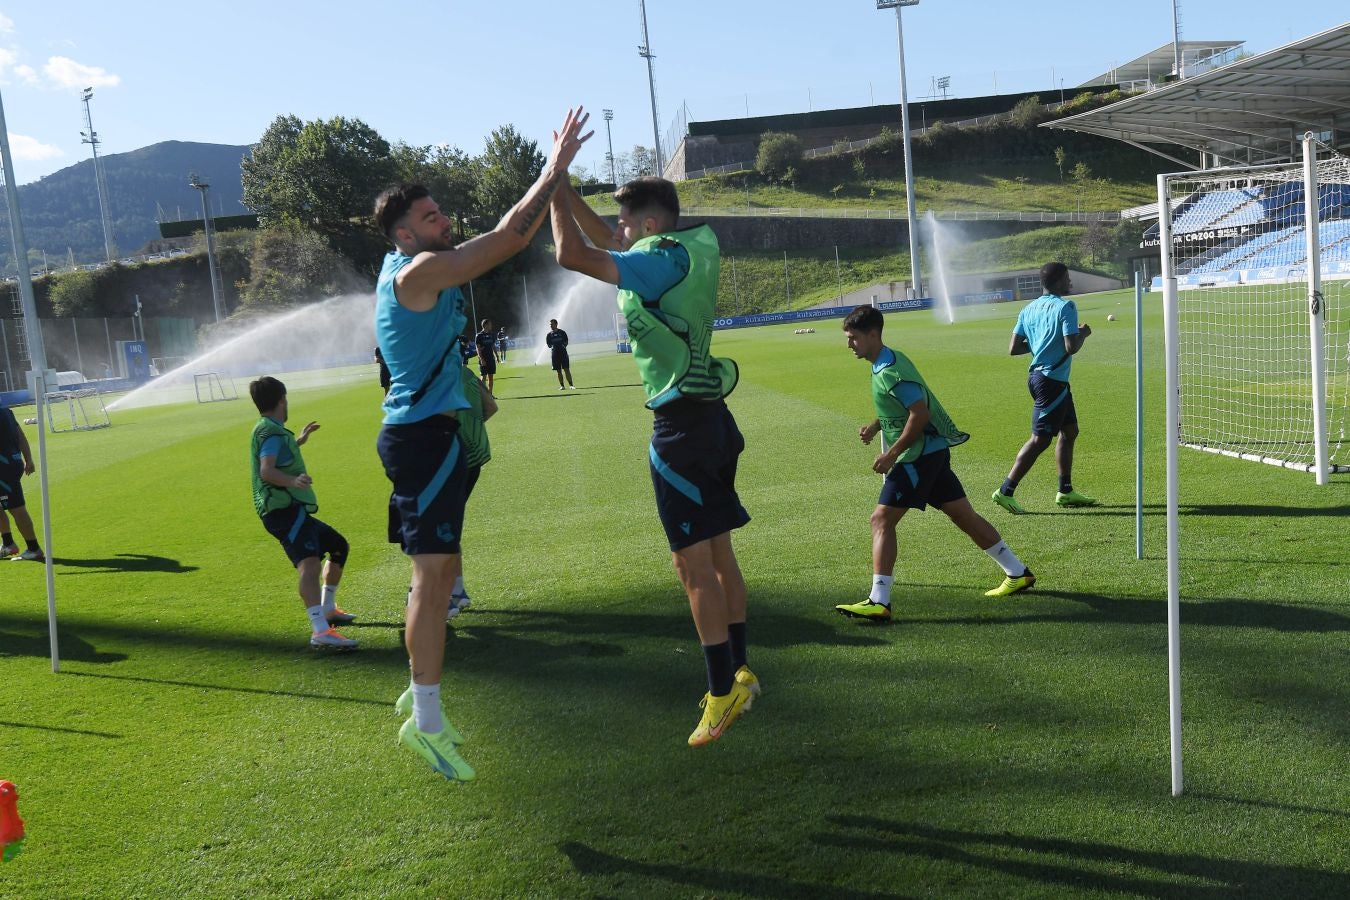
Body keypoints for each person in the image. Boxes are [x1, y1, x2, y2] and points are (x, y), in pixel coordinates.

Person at [373, 107, 589, 782]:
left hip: (428, 435)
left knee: (430, 579)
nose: (444, 222)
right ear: (406, 233)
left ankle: (421, 692)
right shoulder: (415, 274)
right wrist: (553, 173)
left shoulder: (412, 266)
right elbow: (504, 240)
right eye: (432, 218)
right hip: (422, 441)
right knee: (434, 581)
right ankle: (427, 724)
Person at [551, 175, 757, 748]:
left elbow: (571, 253)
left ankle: (721, 694)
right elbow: (605, 238)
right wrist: (565, 189)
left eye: (625, 224)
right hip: (712, 418)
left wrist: (548, 192)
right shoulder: (685, 247)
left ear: (649, 227)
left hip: (681, 432)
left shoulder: (658, 259)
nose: (618, 232)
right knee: (719, 557)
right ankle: (738, 670)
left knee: (692, 569)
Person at [834, 306, 1036, 623]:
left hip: (917, 457)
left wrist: (891, 454)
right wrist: (877, 426)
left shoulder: (889, 369)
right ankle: (1017, 572)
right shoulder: (889, 360)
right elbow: (904, 406)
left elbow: (920, 413)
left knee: (880, 520)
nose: (849, 345)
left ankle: (879, 600)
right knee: (962, 515)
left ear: (872, 335)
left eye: (853, 338)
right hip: (932, 452)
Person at [248, 376, 359, 649]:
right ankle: (320, 631)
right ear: (281, 400)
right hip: (282, 509)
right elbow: (267, 469)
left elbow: (276, 456)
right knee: (308, 565)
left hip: (288, 508)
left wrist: (298, 441)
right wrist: (293, 481)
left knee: (337, 546)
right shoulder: (271, 433)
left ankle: (328, 608)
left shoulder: (270, 429)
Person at [991, 262, 1097, 514]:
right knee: (1040, 440)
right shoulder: (1066, 307)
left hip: (1043, 379)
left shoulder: (1028, 308)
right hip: (1051, 381)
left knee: (1070, 431)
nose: (1070, 283)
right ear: (1059, 280)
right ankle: (1005, 491)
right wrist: (1084, 333)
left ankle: (1066, 490)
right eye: (1067, 278)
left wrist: (1038, 342)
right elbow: (1072, 347)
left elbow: (1014, 348)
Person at [0, 403, 44, 561]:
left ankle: (33, 548)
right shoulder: (6, 411)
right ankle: (8, 544)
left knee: (16, 508)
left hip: (3, 468)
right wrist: (28, 459)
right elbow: (21, 436)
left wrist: (29, 459)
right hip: (12, 463)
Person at [546, 318, 575, 389]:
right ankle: (562, 386)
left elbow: (566, 342)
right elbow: (549, 345)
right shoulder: (549, 335)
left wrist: (562, 346)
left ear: (556, 324)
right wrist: (554, 346)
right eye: (550, 324)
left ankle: (571, 385)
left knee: (566, 369)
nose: (551, 326)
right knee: (558, 371)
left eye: (552, 324)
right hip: (555, 355)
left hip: (563, 354)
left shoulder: (562, 332)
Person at [474, 319, 498, 394]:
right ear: (485, 325)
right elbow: (478, 348)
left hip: (491, 359)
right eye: (489, 324)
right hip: (483, 359)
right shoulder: (479, 335)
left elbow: (493, 346)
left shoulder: (491, 335)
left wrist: (497, 355)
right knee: (483, 377)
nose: (491, 326)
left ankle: (490, 395)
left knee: (491, 377)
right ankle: (482, 395)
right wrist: (481, 359)